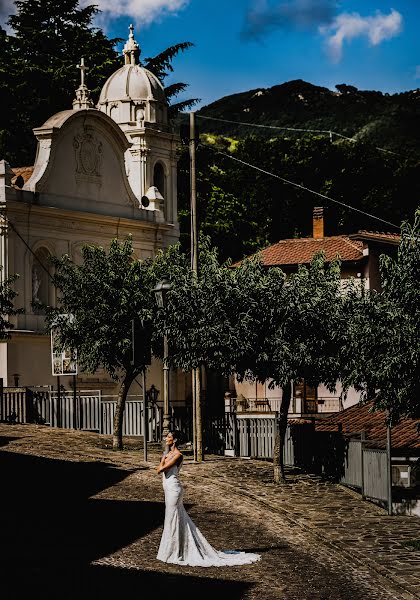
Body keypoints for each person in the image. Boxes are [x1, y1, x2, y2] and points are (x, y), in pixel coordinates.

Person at [156, 430, 261, 567]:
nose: (166, 438)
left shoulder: (178, 455)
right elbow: (160, 468)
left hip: (174, 490)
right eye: (167, 436)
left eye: (169, 437)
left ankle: (174, 550)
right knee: (174, 518)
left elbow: (160, 470)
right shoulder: (168, 454)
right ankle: (176, 548)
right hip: (168, 489)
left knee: (173, 518)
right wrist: (164, 456)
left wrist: (163, 458)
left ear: (174, 440)